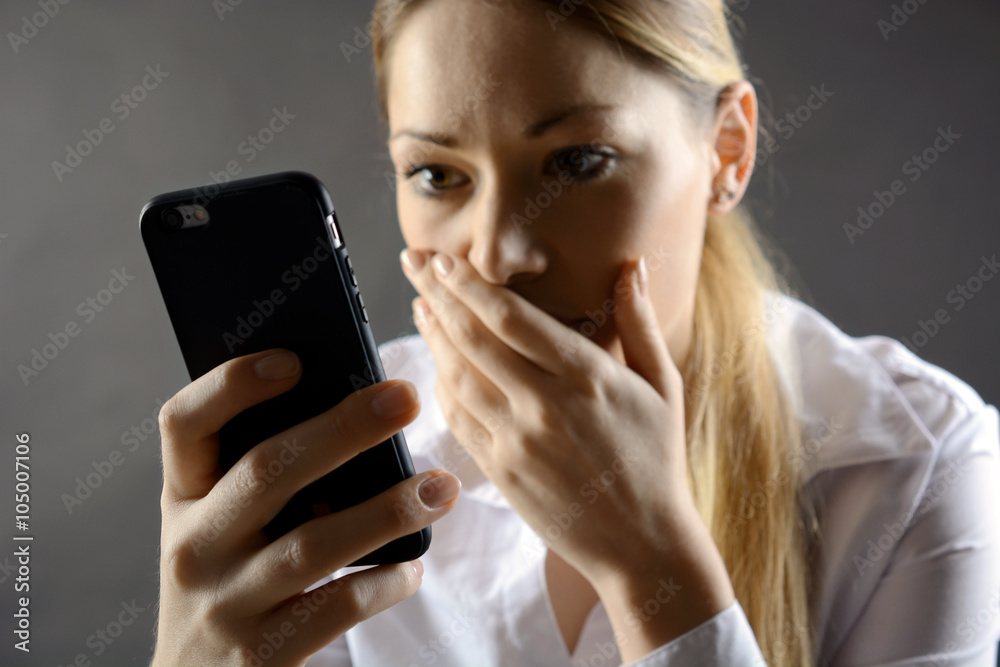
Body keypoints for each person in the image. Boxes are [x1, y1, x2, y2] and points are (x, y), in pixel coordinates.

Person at [149, 0, 1000, 665]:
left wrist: (653, 564)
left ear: (728, 151)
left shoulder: (920, 466)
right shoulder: (339, 467)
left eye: (578, 161)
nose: (498, 254)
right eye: (437, 173)